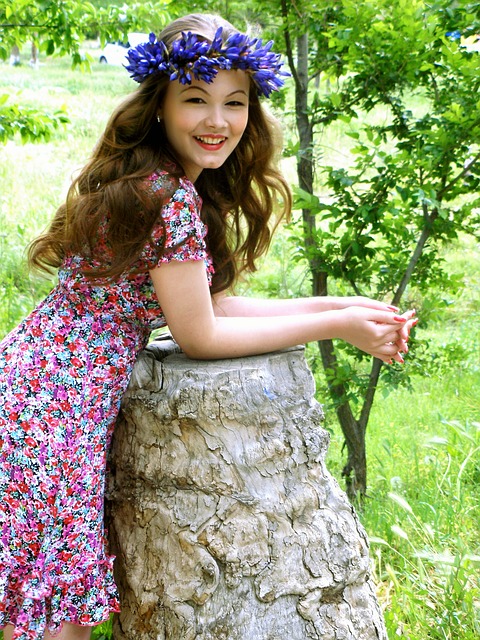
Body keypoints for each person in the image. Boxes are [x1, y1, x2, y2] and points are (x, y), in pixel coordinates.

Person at [0, 12, 416, 640]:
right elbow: (201, 336)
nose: (217, 120)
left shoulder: (161, 184)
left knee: (49, 607)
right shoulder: (166, 197)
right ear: (160, 106)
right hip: (53, 409)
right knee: (57, 619)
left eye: (235, 102)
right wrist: (334, 327)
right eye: (195, 99)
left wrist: (345, 309)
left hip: (40, 387)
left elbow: (212, 306)